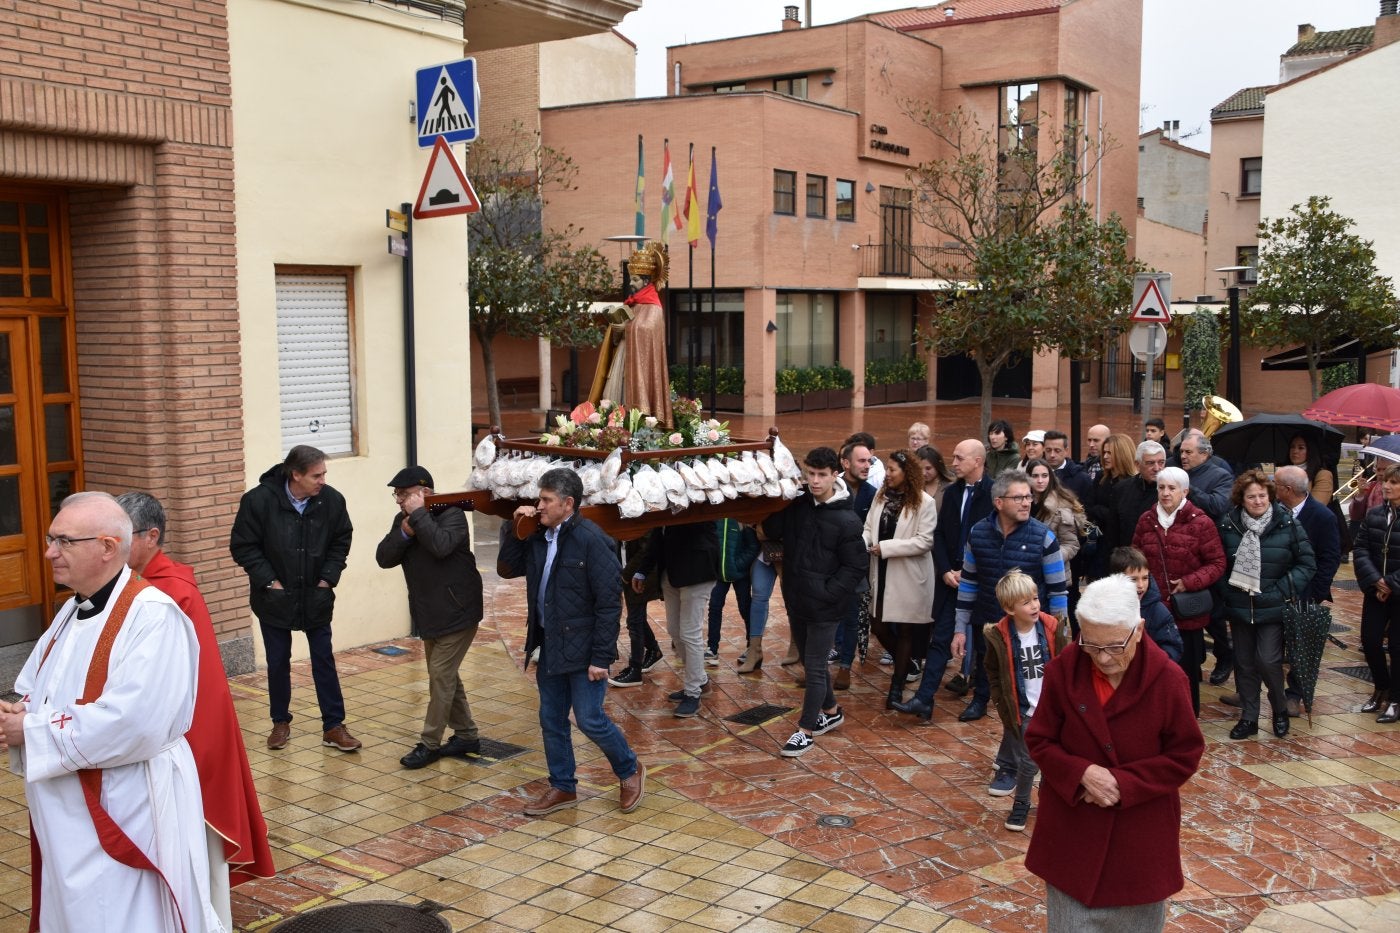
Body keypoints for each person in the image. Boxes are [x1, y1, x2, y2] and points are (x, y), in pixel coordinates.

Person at [2, 492, 222, 932]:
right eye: (51, 539)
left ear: (106, 547)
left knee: (124, 914)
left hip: (129, 804)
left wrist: (32, 729)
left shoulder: (153, 616)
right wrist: (20, 712)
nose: (49, 552)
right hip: (72, 808)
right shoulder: (71, 609)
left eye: (64, 541)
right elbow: (43, 686)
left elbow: (136, 722)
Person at [116, 492, 275, 928]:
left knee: (194, 844)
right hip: (165, 737)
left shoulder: (169, 592)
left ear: (151, 537)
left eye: (120, 536)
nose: (112, 545)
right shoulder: (133, 586)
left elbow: (193, 687)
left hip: (189, 739)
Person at [1024, 575, 1204, 932]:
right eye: (1090, 644)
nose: (1103, 658)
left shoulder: (1169, 680)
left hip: (1139, 842)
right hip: (1072, 834)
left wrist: (1123, 782)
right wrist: (1081, 774)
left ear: (1138, 630)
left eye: (1114, 647)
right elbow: (1040, 739)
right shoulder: (1064, 670)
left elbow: (1185, 754)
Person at [498, 468, 646, 815]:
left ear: (568, 504)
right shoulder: (538, 535)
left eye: (546, 500)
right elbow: (507, 568)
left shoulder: (593, 540)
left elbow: (610, 603)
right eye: (540, 498)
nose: (540, 505)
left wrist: (601, 656)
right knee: (551, 718)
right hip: (550, 645)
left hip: (585, 649)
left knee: (590, 719)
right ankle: (563, 787)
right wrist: (514, 528)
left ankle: (629, 769)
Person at [229, 445, 359, 752]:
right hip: (274, 598)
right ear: (295, 474)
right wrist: (269, 582)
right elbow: (243, 546)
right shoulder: (258, 501)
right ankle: (280, 722)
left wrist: (327, 579)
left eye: (324, 473)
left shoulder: (332, 500)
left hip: (316, 596)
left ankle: (334, 726)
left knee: (323, 660)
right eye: (316, 475)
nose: (322, 481)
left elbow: (342, 539)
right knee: (277, 662)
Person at [375, 466, 486, 768]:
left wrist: (419, 518)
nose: (399, 501)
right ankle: (466, 736)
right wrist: (404, 532)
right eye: (396, 495)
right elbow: (384, 557)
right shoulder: (405, 521)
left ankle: (429, 744)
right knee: (445, 677)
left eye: (404, 494)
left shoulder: (452, 514)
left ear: (424, 493)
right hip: (429, 614)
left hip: (459, 611)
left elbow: (441, 546)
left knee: (440, 676)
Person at [763, 447, 867, 757]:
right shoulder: (798, 504)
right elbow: (771, 530)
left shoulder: (847, 520)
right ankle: (832, 710)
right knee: (811, 663)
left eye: (822, 475)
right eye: (811, 474)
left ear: (836, 474)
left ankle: (805, 730)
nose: (816, 481)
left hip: (825, 605)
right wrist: (780, 498)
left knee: (815, 666)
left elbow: (856, 566)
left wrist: (828, 592)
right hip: (796, 596)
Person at [953, 469, 1069, 724]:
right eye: (1018, 498)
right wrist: (960, 628)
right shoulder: (978, 533)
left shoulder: (1043, 537)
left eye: (1028, 497)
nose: (1027, 502)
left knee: (1029, 678)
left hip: (1030, 626)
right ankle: (980, 700)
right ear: (999, 502)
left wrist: (1060, 629)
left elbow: (1058, 589)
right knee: (987, 666)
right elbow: (969, 582)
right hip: (988, 617)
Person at [894, 439, 993, 721]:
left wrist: (971, 572)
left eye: (960, 458)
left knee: (984, 644)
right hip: (951, 580)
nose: (954, 462)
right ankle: (924, 699)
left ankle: (981, 700)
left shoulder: (994, 492)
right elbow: (939, 535)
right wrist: (946, 570)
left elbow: (996, 538)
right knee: (940, 639)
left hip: (981, 581)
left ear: (977, 461)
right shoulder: (951, 493)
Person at [1217, 470, 1316, 740]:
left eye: (1262, 495)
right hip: (1240, 606)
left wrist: (1280, 590)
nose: (1258, 501)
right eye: (1252, 497)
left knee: (1268, 660)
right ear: (1242, 499)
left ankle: (1280, 709)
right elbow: (1218, 564)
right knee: (1245, 663)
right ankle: (1249, 717)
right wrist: (1229, 590)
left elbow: (1307, 563)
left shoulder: (1287, 524)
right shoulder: (1228, 524)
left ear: (1270, 496)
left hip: (1273, 606)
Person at [1132, 466, 1227, 716]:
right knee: (1152, 667)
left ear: (1184, 491)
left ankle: (1185, 719)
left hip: (1186, 612)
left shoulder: (1201, 522)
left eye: (1171, 488)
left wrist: (1189, 581)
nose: (1165, 493)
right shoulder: (1146, 520)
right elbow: (1135, 557)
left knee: (1185, 670)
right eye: (1161, 487)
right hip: (1152, 609)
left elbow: (1217, 563)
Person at [984, 569, 1068, 833]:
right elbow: (994, 672)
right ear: (1010, 608)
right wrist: (1001, 701)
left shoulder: (1053, 628)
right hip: (1024, 711)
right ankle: (1021, 804)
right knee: (1028, 761)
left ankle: (1048, 805)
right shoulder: (998, 637)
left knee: (1052, 760)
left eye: (1035, 598)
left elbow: (1066, 665)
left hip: (1052, 709)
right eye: (1026, 602)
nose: (1034, 605)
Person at [863, 449, 938, 708]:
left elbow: (925, 541)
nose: (888, 474)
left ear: (907, 473)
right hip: (881, 571)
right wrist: (865, 542)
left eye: (893, 469)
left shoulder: (924, 502)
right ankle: (906, 664)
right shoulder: (881, 495)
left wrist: (886, 547)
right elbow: (868, 527)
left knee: (906, 630)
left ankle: (896, 687)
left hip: (907, 575)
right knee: (878, 625)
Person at [634, 521, 719, 717]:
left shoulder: (696, 496)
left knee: (690, 634)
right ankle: (701, 681)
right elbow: (659, 533)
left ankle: (693, 693)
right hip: (671, 573)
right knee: (674, 631)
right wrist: (642, 569)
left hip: (697, 570)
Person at [1176, 430, 1236, 687]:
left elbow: (1218, 506)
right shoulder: (1174, 470)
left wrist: (1189, 491)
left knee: (1211, 611)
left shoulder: (1221, 475)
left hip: (1207, 553)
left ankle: (1225, 656)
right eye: (1181, 452)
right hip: (1180, 550)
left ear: (1205, 453)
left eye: (1188, 452)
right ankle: (1195, 659)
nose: (1183, 456)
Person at [590, 241, 671, 423]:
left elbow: (646, 329)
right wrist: (616, 329)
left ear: (646, 281)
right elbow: (624, 333)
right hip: (623, 357)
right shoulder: (633, 303)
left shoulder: (654, 306)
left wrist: (625, 327)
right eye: (631, 279)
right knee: (612, 394)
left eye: (635, 280)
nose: (632, 284)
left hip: (639, 363)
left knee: (625, 397)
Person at [1351, 463, 1400, 724]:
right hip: (1375, 591)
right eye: (1386, 482)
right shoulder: (1375, 515)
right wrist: (1375, 581)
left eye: (1394, 483)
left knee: (1397, 646)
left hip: (1397, 592)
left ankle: (1395, 698)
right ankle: (1381, 687)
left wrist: (1391, 584)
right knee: (1370, 642)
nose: (1387, 486)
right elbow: (1360, 549)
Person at [830, 439, 878, 686]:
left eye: (869, 460)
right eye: (861, 460)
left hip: (855, 566)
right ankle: (816, 664)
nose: (867, 465)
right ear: (845, 463)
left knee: (851, 616)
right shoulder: (832, 489)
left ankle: (846, 666)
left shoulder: (873, 494)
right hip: (828, 564)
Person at [1106, 546, 1184, 663]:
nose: (1141, 585)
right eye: (1133, 579)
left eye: (1145, 578)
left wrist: (1150, 664)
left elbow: (1173, 648)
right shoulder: (1103, 606)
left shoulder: (1158, 611)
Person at [607, 536, 663, 686]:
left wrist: (626, 575)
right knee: (637, 619)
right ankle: (653, 650)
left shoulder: (639, 521)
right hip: (628, 575)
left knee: (634, 621)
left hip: (639, 577)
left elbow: (646, 550)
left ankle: (635, 670)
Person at [706, 518, 758, 667]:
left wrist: (738, 565)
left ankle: (752, 647)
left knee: (745, 608)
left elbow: (753, 546)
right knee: (714, 607)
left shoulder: (742, 520)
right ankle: (712, 648)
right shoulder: (715, 520)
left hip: (740, 574)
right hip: (719, 575)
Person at [1026, 458, 1084, 566]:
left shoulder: (1061, 506)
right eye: (1035, 476)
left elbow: (1070, 544)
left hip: (1053, 570)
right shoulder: (1022, 503)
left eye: (1044, 476)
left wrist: (1050, 558)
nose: (1040, 480)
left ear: (1050, 477)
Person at [1042, 430, 1093, 502]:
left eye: (1057, 450)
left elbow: (1088, 508)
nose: (1052, 455)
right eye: (1048, 450)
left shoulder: (1082, 479)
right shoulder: (1035, 475)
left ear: (1066, 451)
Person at [915, 445, 955, 512]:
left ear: (937, 466)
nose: (923, 473)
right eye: (920, 468)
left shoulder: (950, 487)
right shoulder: (914, 486)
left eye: (928, 468)